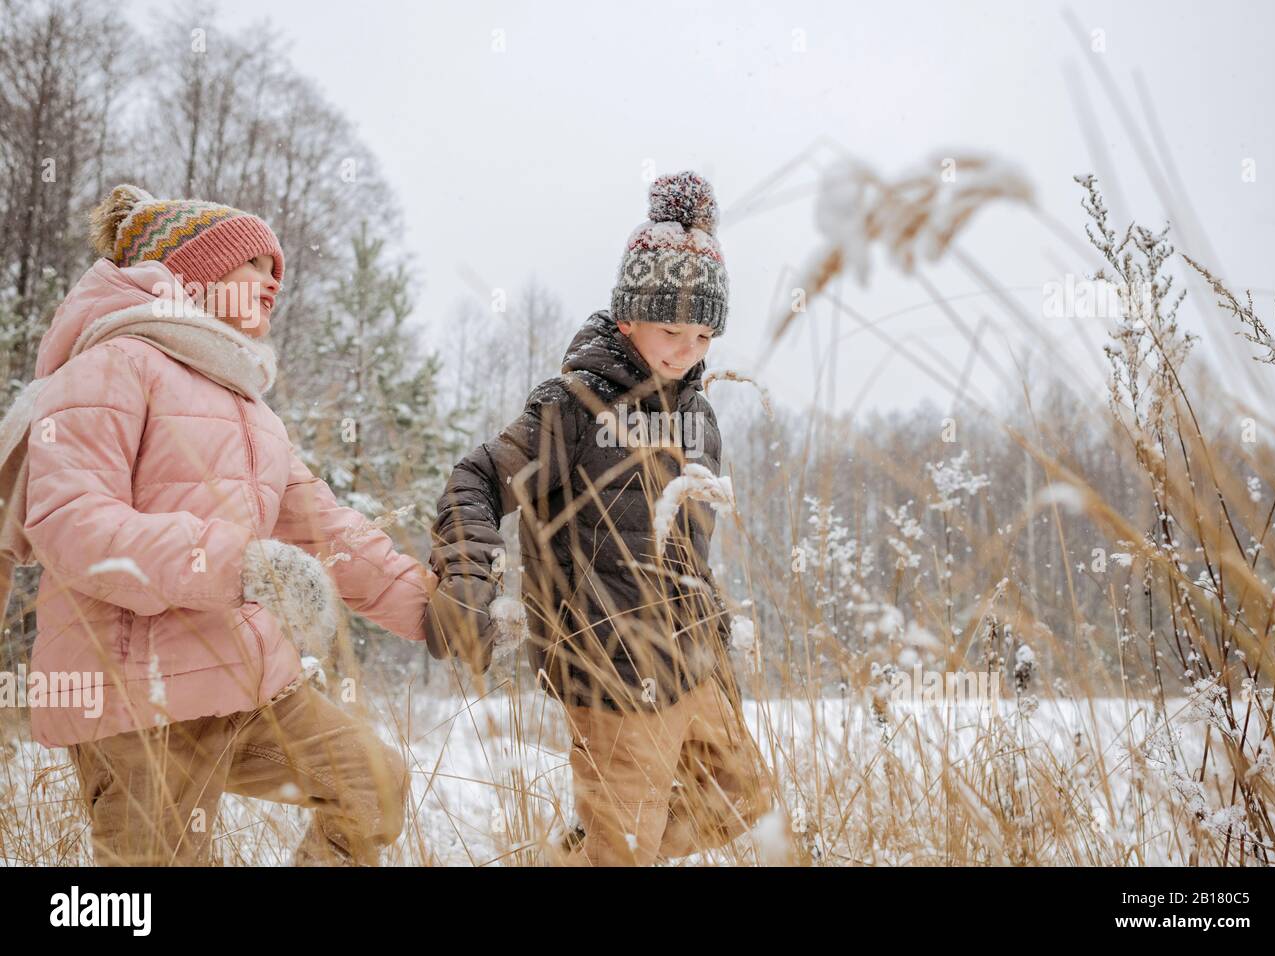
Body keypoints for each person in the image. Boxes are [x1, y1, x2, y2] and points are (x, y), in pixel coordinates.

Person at [2, 184, 437, 865]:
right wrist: (240, 566)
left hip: (248, 683)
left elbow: (325, 527)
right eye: (253, 266)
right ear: (193, 273)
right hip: (133, 696)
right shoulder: (111, 363)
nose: (272, 284)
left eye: (276, 272)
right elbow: (72, 524)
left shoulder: (248, 405)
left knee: (371, 783)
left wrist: (441, 612)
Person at [424, 171, 773, 866]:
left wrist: (718, 642)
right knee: (625, 851)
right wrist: (466, 571)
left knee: (742, 800)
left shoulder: (699, 420)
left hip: (693, 664)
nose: (686, 349)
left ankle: (586, 855)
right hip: (609, 670)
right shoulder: (571, 411)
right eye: (670, 327)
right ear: (626, 317)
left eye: (704, 333)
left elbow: (686, 553)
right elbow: (477, 478)